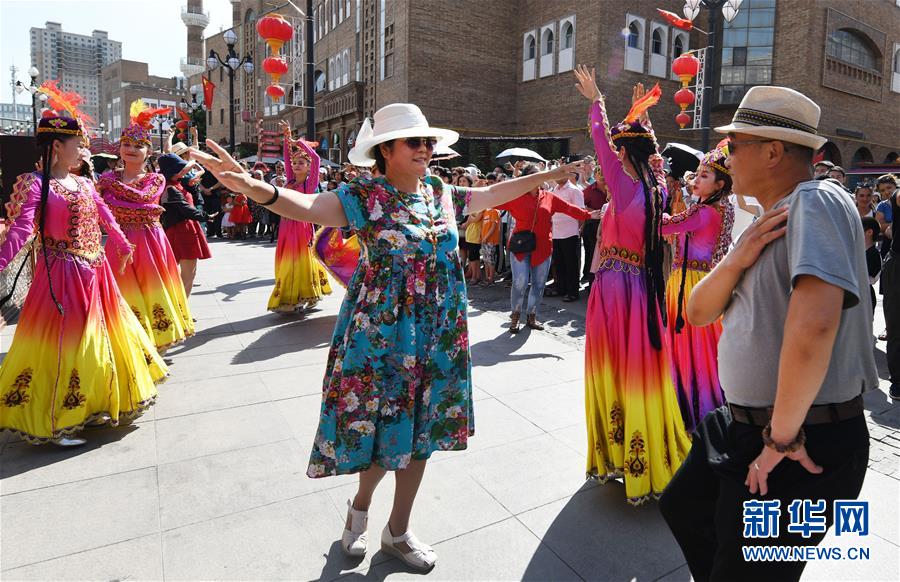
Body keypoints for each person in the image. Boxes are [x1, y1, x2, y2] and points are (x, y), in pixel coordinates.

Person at [187, 102, 585, 571]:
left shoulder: (440, 192)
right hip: (383, 334)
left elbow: (495, 193)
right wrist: (255, 187)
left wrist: (549, 174)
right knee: (380, 431)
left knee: (423, 431)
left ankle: (398, 531)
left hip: (438, 331)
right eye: (415, 142)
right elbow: (311, 207)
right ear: (386, 150)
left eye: (428, 141)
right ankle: (359, 508)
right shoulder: (364, 195)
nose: (426, 149)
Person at [659, 86, 878, 581]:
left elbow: (816, 324)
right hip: (745, 427)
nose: (726, 157)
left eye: (735, 145)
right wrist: (739, 255)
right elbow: (697, 311)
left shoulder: (816, 199)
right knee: (686, 509)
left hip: (801, 440)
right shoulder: (771, 218)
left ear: (774, 152)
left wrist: (779, 439)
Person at [0, 113, 166, 446]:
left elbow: (104, 214)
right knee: (67, 346)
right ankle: (56, 421)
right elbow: (21, 230)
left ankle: (94, 404)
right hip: (61, 275)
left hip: (97, 272)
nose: (83, 150)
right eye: (78, 144)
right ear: (57, 146)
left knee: (101, 341)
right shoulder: (36, 183)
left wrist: (122, 243)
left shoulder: (85, 182)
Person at [573, 65, 692, 504]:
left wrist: (597, 102)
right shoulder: (656, 185)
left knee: (613, 373)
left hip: (615, 291)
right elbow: (648, 153)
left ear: (624, 155)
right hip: (643, 289)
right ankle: (647, 457)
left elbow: (604, 144)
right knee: (641, 372)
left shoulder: (624, 186)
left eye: (618, 154)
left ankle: (617, 459)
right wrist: (640, 118)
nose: (610, 162)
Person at [98, 101, 194, 352]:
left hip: (150, 242)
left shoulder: (155, 178)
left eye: (138, 145)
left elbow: (140, 200)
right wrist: (146, 210)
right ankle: (128, 339)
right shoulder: (106, 179)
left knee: (153, 287)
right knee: (123, 288)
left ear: (148, 152)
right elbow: (104, 210)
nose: (131, 149)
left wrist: (115, 199)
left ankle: (158, 340)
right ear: (119, 148)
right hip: (119, 243)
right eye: (126, 144)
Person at [661, 142, 734, 433]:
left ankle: (696, 408)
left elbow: (663, 226)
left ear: (719, 184)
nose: (696, 179)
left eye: (704, 176)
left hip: (689, 284)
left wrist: (655, 190)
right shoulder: (717, 208)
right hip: (702, 281)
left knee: (692, 349)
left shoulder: (703, 212)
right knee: (704, 348)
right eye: (698, 174)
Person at [498, 163, 599, 333]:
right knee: (520, 282)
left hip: (543, 246)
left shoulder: (549, 197)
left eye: (541, 175)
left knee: (538, 284)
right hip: (521, 246)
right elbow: (493, 200)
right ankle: (515, 315)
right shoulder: (515, 196)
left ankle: (531, 315)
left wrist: (589, 215)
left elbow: (569, 208)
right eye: (536, 175)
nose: (540, 178)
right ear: (528, 178)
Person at [267, 121, 332, 312]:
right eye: (294, 163)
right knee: (286, 260)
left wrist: (299, 142)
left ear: (308, 166)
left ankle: (299, 296)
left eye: (300, 163)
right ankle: (291, 296)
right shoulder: (290, 179)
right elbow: (286, 157)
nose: (295, 165)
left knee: (300, 261)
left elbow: (316, 158)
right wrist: (286, 137)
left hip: (302, 227)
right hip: (286, 226)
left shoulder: (310, 184)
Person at [158, 153, 213, 298]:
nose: (184, 170)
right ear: (172, 171)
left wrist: (193, 185)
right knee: (188, 273)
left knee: (186, 273)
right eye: (180, 168)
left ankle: (181, 308)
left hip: (184, 229)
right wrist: (205, 216)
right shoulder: (170, 188)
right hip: (182, 231)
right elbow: (185, 208)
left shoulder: (176, 184)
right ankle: (182, 310)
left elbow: (189, 201)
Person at [550, 174, 586, 301]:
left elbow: (581, 212)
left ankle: (572, 292)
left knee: (571, 264)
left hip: (570, 232)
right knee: (559, 262)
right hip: (556, 232)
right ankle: (561, 288)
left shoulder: (574, 190)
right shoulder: (554, 190)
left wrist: (579, 229)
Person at [581, 166, 608, 284]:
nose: (602, 177)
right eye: (599, 174)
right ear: (595, 176)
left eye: (603, 174)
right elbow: (581, 206)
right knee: (590, 253)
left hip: (607, 225)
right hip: (592, 225)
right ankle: (587, 276)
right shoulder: (589, 190)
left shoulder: (611, 187)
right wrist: (591, 210)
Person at [862, 216, 881, 316]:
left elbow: (867, 276)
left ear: (869, 232)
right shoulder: (859, 252)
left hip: (866, 294)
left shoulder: (874, 254)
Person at [480, 205, 501, 285]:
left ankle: (491, 278)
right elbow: (483, 225)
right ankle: (486, 277)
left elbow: (493, 226)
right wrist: (482, 237)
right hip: (484, 240)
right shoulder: (485, 211)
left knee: (491, 260)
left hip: (490, 240)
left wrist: (486, 237)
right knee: (485, 260)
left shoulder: (495, 211)